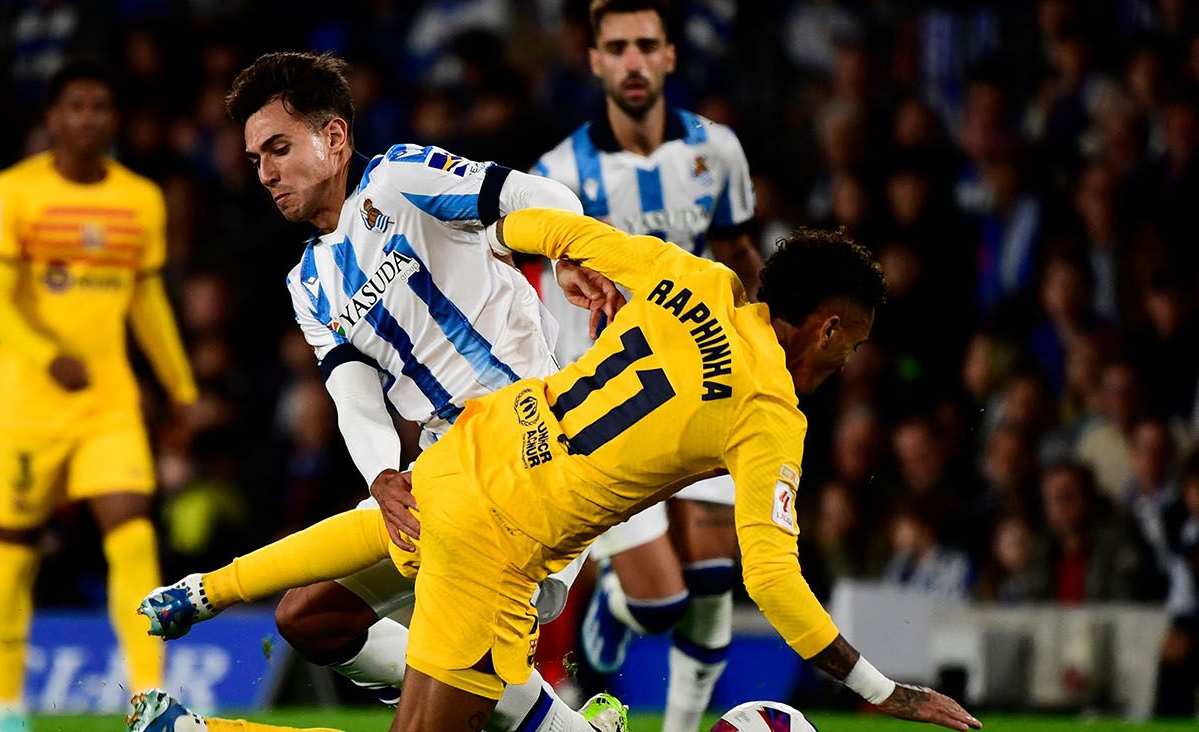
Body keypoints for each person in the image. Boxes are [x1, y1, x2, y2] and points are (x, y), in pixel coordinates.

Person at [132, 209, 982, 732]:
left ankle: (533, 716)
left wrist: (565, 263)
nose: (847, 365)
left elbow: (546, 227)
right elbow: (773, 577)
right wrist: (882, 689)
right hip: (500, 543)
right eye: (855, 346)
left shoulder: (688, 275)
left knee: (309, 620)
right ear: (828, 329)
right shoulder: (769, 414)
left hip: (470, 448)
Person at [139, 51, 628, 732]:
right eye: (255, 160)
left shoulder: (401, 180)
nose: (267, 172)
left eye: (279, 147)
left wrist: (567, 250)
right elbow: (353, 394)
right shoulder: (307, 284)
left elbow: (538, 197)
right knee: (309, 618)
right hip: (444, 477)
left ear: (334, 138)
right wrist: (380, 474)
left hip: (531, 457)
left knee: (431, 710)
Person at [530, 3, 762, 727]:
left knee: (717, 577)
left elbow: (739, 256)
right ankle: (614, 612)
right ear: (595, 60)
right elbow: (515, 271)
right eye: (617, 47)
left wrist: (760, 348)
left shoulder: (718, 152)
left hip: (706, 387)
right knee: (662, 604)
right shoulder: (559, 172)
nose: (633, 61)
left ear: (669, 56)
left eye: (646, 46)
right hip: (610, 407)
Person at [0, 60, 198, 732]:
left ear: (114, 118)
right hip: (23, 404)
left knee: (133, 536)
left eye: (101, 106)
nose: (89, 118)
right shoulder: (8, 193)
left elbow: (147, 302)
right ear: (53, 117)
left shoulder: (141, 199)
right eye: (77, 106)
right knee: (15, 544)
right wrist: (46, 354)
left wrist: (179, 385)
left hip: (109, 403)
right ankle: (6, 708)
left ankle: (149, 699)